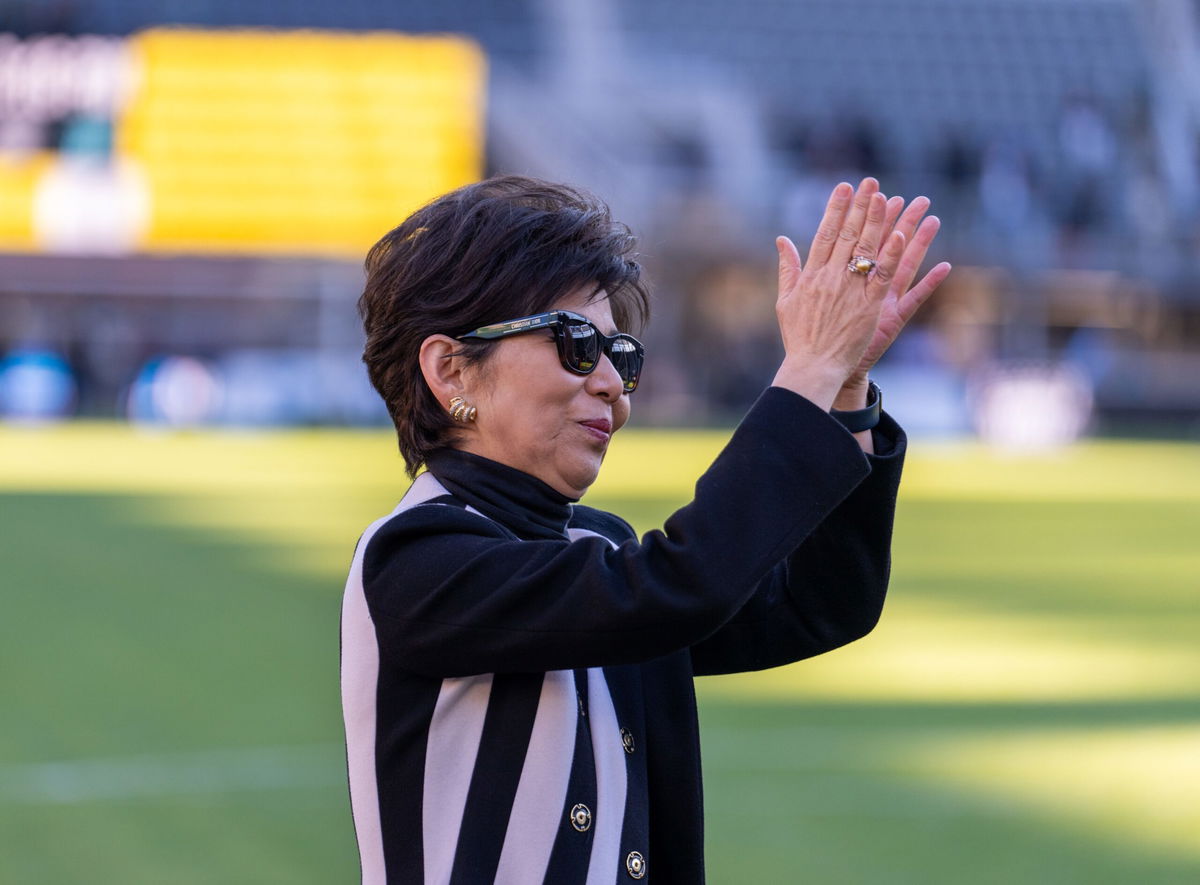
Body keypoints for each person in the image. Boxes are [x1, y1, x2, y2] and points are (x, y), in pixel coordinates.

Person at [341, 175, 950, 884]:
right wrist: (807, 371)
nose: (610, 382)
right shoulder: (415, 557)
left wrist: (844, 388)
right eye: (574, 345)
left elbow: (819, 603)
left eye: (620, 355)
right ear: (451, 370)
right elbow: (677, 584)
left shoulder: (594, 546)